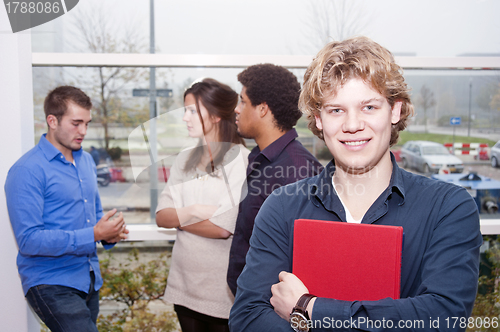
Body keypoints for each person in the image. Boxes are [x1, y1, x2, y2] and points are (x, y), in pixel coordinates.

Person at [229, 37, 482, 332]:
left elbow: (442, 317)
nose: (352, 125)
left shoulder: (448, 208)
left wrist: (309, 309)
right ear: (319, 120)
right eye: (336, 110)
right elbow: (248, 319)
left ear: (395, 111)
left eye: (369, 107)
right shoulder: (282, 207)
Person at [5, 86, 129, 332]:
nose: (83, 131)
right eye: (76, 123)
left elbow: (94, 216)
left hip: (88, 279)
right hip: (50, 282)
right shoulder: (26, 170)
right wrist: (94, 234)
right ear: (52, 121)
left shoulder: (86, 161)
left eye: (87, 123)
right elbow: (29, 240)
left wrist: (110, 234)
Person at [155, 78, 249, 332]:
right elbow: (162, 217)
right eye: (185, 110)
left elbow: (222, 229)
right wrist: (194, 212)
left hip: (220, 293)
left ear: (217, 115)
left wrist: (180, 221)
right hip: (183, 286)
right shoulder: (184, 159)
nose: (185, 117)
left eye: (192, 110)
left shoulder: (241, 160)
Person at [227, 64, 323, 295]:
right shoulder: (261, 159)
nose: (237, 110)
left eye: (242, 101)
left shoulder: (297, 170)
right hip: (251, 301)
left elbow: (306, 259)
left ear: (262, 109)